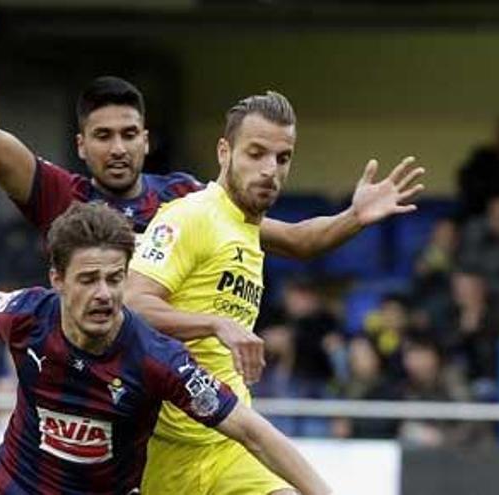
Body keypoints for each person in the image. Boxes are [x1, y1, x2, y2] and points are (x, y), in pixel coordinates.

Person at [0, 0, 424, 381]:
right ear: (81, 145)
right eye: (103, 136)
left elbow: (297, 240)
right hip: (83, 384)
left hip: (159, 392)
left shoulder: (186, 197)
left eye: (128, 133)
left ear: (146, 139)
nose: (117, 147)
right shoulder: (60, 196)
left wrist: (355, 216)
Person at [0, 202, 330, 495]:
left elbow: (254, 433)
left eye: (115, 279)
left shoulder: (157, 358)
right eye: (89, 279)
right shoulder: (29, 317)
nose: (104, 293)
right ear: (57, 279)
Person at [124, 91, 420, 493]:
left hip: (229, 444)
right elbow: (133, 305)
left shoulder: (246, 226)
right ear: (224, 152)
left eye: (282, 159)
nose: (270, 170)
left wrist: (354, 217)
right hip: (163, 450)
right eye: (256, 153)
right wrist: (216, 324)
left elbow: (301, 241)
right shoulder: (189, 216)